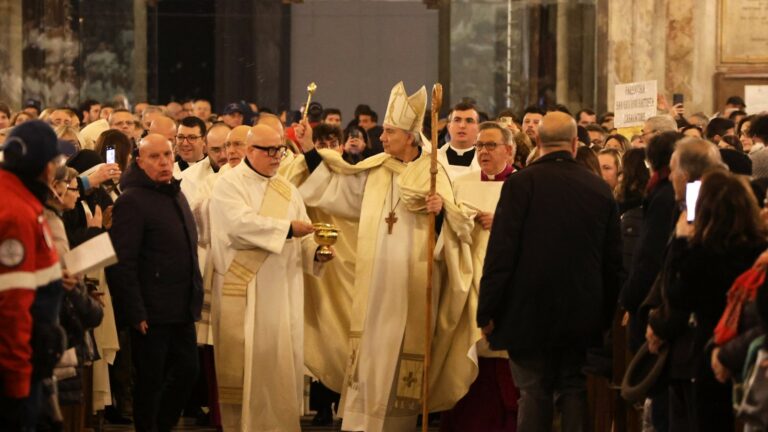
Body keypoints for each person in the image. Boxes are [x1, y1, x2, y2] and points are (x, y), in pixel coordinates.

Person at [292, 81, 476, 432]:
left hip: (413, 287)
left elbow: (460, 230)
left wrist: (440, 214)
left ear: (410, 136)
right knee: (371, 352)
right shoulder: (377, 168)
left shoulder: (435, 173)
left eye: (390, 132)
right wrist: (309, 152)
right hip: (375, 285)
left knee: (402, 362)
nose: (381, 137)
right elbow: (339, 191)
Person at [477, 111, 622, 432]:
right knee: (574, 390)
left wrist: (487, 309)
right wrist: (606, 315)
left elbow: (501, 254)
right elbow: (613, 263)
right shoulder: (599, 189)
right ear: (574, 144)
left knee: (532, 393)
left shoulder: (520, 184)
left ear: (538, 142)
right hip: (582, 313)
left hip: (526, 312)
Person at [208, 125, 332, 431]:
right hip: (246, 290)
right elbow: (239, 225)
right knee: (251, 368)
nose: (277, 156)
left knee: (280, 366)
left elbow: (303, 235)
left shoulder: (286, 189)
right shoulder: (229, 184)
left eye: (281, 149)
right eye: (270, 150)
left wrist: (317, 252)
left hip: (284, 291)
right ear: (250, 151)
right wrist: (288, 229)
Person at [646, 169, 767, 431]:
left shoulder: (702, 255)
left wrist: (679, 242)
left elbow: (676, 296)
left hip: (710, 346)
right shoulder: (759, 251)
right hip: (748, 348)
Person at [107, 133, 203, 432]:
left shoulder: (175, 192)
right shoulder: (132, 200)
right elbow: (123, 262)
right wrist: (135, 311)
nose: (164, 162)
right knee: (150, 381)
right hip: (152, 311)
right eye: (155, 157)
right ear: (139, 161)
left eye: (167, 155)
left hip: (181, 306)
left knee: (188, 371)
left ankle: (162, 426)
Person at [443, 121, 519, 431]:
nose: (483, 152)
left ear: (509, 150)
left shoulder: (522, 184)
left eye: (490, 145)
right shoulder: (462, 183)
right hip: (466, 279)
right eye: (480, 146)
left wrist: (501, 220)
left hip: (507, 284)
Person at [0, 121, 65, 430]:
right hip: (17, 369)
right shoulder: (15, 212)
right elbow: (12, 304)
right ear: (44, 168)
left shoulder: (20, 201)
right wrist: (17, 384)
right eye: (55, 162)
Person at [45, 165, 104, 432]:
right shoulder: (46, 218)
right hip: (53, 321)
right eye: (72, 188)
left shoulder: (54, 217)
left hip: (65, 316)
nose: (77, 196)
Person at [437, 102, 481, 181]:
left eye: (469, 121)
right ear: (449, 127)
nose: (462, 126)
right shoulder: (434, 158)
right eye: (457, 120)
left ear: (478, 128)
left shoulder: (486, 162)